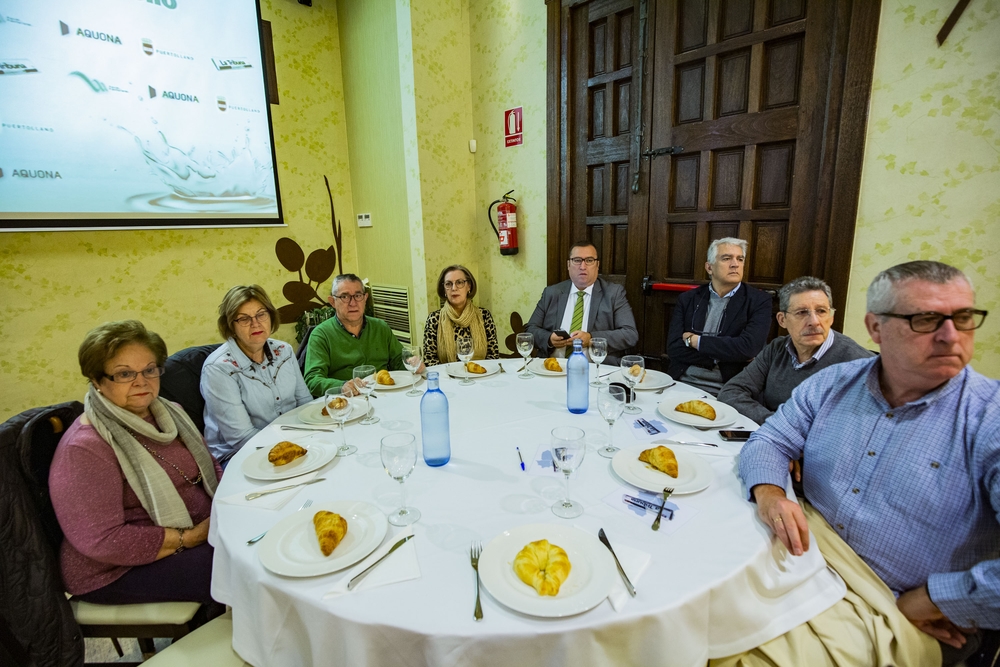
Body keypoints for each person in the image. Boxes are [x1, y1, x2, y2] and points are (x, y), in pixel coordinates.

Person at [721, 261, 999, 667]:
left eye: (963, 318)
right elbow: (770, 440)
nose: (950, 336)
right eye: (925, 319)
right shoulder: (832, 383)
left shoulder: (989, 418)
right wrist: (769, 492)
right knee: (690, 619)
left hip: (892, 603)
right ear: (876, 327)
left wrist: (937, 599)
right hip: (799, 555)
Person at [49, 320, 223, 614]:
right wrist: (189, 538)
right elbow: (102, 540)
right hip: (114, 569)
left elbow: (211, 466)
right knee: (239, 566)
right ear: (96, 380)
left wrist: (225, 505)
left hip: (196, 529)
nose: (141, 381)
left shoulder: (170, 413)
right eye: (124, 374)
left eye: (149, 369)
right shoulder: (85, 448)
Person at [717, 276, 872, 424]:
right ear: (782, 320)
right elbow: (731, 392)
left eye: (821, 311)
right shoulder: (777, 349)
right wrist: (777, 424)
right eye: (802, 312)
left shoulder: (860, 364)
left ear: (831, 317)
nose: (814, 321)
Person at [201, 285, 313, 465]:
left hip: (294, 441)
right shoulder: (219, 369)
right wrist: (295, 445)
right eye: (244, 319)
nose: (256, 323)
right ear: (231, 325)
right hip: (240, 454)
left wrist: (315, 438)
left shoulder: (284, 351)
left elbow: (305, 403)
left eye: (261, 314)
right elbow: (241, 438)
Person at [666, 237, 772, 396]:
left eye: (740, 259)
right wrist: (722, 355)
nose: (735, 264)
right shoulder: (688, 299)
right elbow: (674, 348)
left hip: (728, 388)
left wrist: (696, 341)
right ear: (709, 268)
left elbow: (748, 348)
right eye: (726, 258)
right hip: (683, 381)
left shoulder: (758, 301)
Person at [304, 273, 423, 397]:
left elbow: (399, 359)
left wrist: (412, 362)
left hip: (385, 395)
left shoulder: (380, 327)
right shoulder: (321, 335)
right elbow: (312, 380)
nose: (353, 303)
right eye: (345, 296)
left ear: (365, 298)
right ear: (332, 302)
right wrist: (342, 386)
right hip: (347, 402)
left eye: (358, 295)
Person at [524, 241, 638, 364]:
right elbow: (530, 330)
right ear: (568, 264)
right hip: (553, 368)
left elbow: (630, 334)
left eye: (589, 260)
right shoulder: (551, 293)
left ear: (597, 265)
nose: (583, 266)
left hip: (595, 370)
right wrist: (549, 339)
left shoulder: (613, 294)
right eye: (577, 260)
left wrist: (591, 338)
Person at [423, 265, 500, 363]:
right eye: (448, 284)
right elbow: (429, 361)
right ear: (444, 290)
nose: (454, 288)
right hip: (447, 376)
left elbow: (493, 356)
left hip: (480, 375)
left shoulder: (484, 315)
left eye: (459, 282)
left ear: (469, 286)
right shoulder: (434, 319)